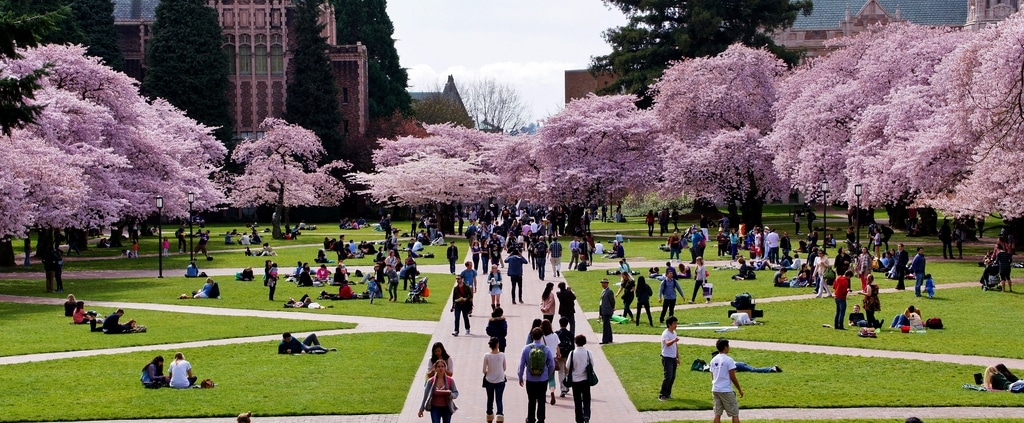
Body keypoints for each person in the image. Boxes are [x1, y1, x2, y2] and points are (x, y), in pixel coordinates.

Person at [518, 327, 555, 423]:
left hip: (530, 379)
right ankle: (541, 419)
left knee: (531, 400)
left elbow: (521, 364)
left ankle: (531, 418)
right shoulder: (546, 349)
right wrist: (547, 373)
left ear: (532, 336)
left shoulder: (526, 348)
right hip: (543, 379)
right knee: (542, 399)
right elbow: (552, 364)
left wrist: (520, 376)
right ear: (542, 336)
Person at [710, 339, 744, 423]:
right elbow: (732, 376)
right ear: (725, 347)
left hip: (715, 389)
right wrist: (739, 389)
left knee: (717, 413)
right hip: (726, 390)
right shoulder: (729, 360)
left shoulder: (713, 360)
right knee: (734, 413)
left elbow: (712, 376)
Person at [566, 334, 593, 423]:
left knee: (577, 401)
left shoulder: (572, 353)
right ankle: (586, 415)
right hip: (585, 380)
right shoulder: (588, 353)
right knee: (586, 399)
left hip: (575, 380)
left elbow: (568, 365)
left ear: (575, 342)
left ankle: (579, 419)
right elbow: (592, 365)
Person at [483, 337, 507, 423]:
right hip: (500, 380)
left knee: (490, 399)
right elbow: (504, 368)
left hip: (489, 380)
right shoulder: (502, 355)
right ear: (497, 345)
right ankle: (499, 415)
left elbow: (483, 370)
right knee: (499, 399)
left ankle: (489, 416)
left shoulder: (486, 355)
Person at [540, 320, 562, 405]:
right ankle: (552, 391)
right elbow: (557, 347)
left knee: (543, 378)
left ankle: (544, 396)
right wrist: (559, 355)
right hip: (552, 358)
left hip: (543, 359)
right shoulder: (555, 335)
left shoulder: (541, 337)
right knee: (551, 378)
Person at [659, 316, 681, 401]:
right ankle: (662, 395)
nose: (676, 325)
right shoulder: (665, 333)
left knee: (672, 377)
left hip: (673, 358)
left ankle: (668, 394)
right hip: (667, 358)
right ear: (669, 324)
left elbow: (676, 346)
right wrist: (674, 340)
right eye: (674, 323)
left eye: (676, 323)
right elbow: (667, 343)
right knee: (668, 376)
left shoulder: (674, 333)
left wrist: (678, 357)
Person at [598, 278, 615, 345]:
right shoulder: (604, 291)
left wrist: (612, 308)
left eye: (604, 283)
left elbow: (612, 301)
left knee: (605, 326)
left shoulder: (609, 291)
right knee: (607, 325)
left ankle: (605, 340)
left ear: (607, 284)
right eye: (602, 283)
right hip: (603, 310)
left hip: (607, 311)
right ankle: (610, 338)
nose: (603, 284)